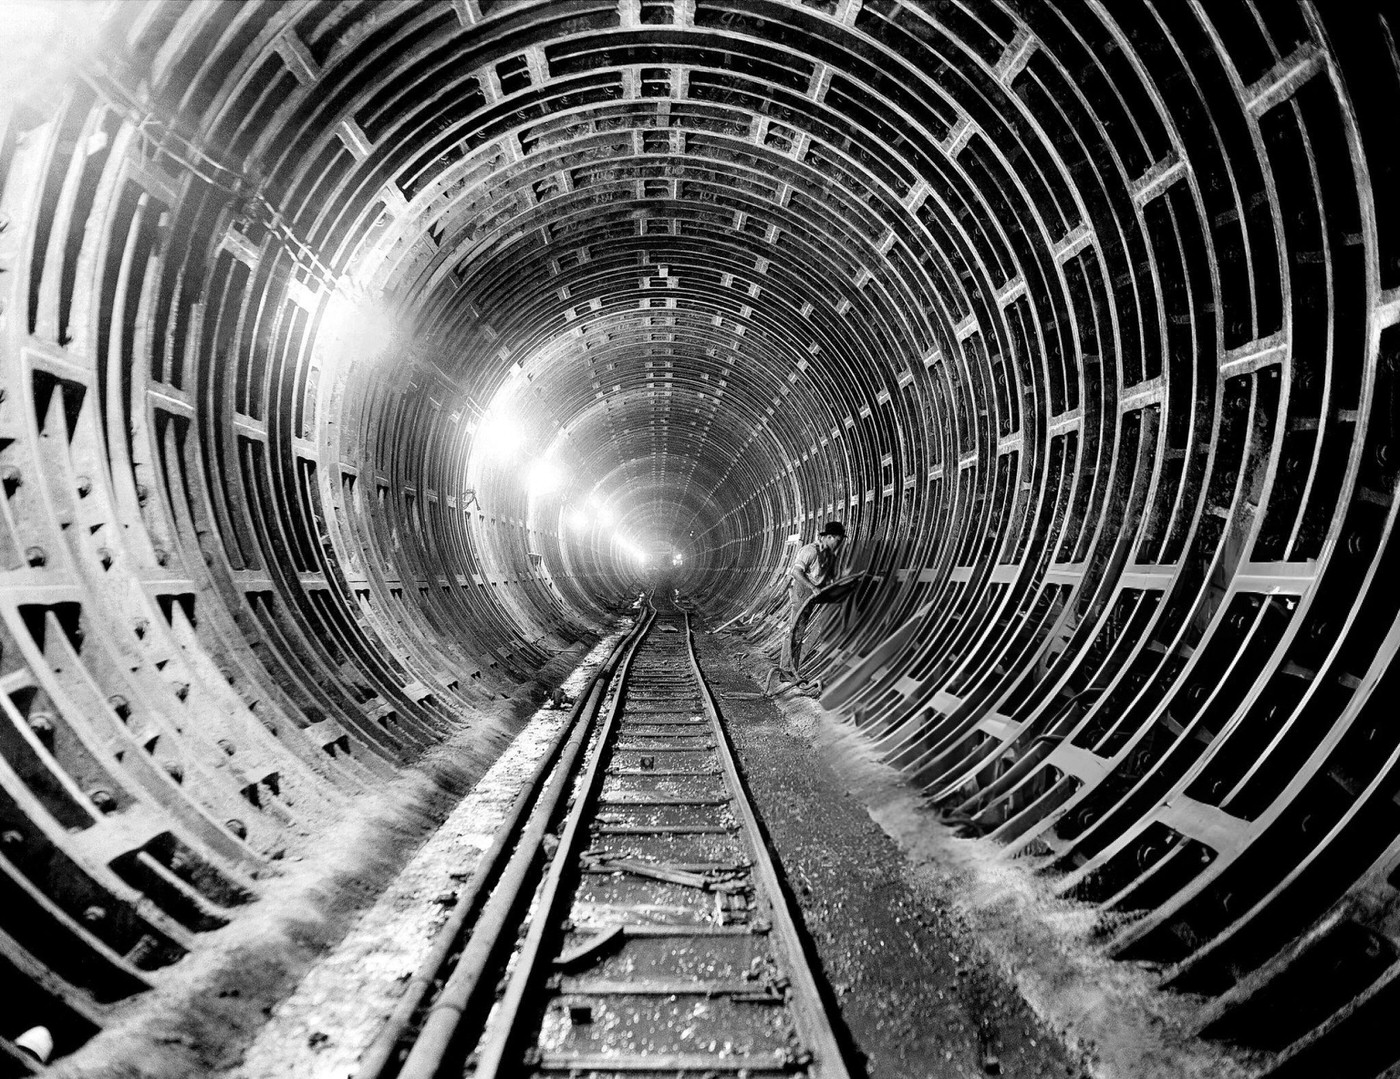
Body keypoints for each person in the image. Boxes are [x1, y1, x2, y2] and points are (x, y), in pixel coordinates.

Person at [779, 521, 846, 674]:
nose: (839, 544)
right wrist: (813, 587)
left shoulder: (826, 553)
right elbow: (796, 572)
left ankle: (792, 670)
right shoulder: (810, 551)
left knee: (799, 631)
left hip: (815, 592)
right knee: (796, 631)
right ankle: (786, 671)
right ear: (829, 537)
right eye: (837, 540)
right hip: (803, 592)